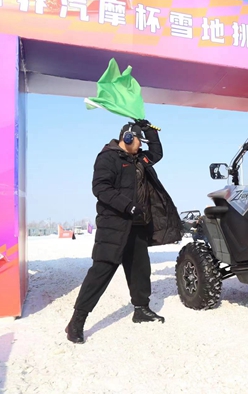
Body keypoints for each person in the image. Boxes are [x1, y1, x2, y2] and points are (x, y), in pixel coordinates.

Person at [65, 120, 183, 344]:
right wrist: (127, 206)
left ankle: (141, 309)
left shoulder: (139, 159)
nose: (142, 146)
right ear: (127, 138)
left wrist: (149, 131)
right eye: (139, 140)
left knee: (140, 269)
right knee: (101, 271)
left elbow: (157, 153)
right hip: (114, 225)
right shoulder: (108, 158)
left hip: (137, 225)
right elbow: (100, 188)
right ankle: (76, 321)